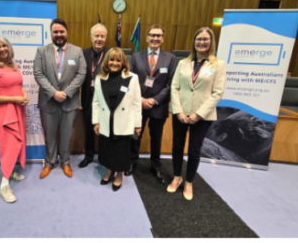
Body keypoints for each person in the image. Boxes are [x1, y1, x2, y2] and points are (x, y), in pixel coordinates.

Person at [168, 27, 227, 201]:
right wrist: (178, 111)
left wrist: (198, 114)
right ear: (194, 42)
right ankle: (177, 177)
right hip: (180, 113)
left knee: (194, 149)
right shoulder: (183, 63)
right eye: (199, 39)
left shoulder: (218, 64)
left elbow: (217, 92)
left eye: (205, 39)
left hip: (202, 116)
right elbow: (175, 87)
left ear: (211, 42)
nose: (202, 42)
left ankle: (189, 182)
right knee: (177, 146)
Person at [33, 19, 86, 178]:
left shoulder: (77, 51)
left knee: (66, 134)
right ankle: (49, 163)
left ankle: (65, 161)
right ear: (51, 34)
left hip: (69, 101)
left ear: (67, 32)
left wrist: (67, 92)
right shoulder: (41, 51)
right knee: (49, 135)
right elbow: (38, 74)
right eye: (55, 32)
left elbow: (81, 74)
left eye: (61, 31)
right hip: (48, 101)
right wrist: (53, 92)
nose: (59, 35)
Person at [129, 24, 177, 183]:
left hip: (159, 106)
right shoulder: (136, 56)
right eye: (152, 35)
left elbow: (171, 84)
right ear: (147, 37)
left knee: (156, 138)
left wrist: (155, 100)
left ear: (162, 39)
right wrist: (141, 99)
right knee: (135, 135)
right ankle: (132, 162)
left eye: (158, 35)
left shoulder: (170, 58)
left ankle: (155, 166)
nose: (155, 38)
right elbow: (130, 80)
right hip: (138, 104)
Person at [0, 36, 28, 204]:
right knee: (8, 145)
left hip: (18, 108)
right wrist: (14, 99)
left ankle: (8, 171)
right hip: (5, 112)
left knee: (18, 141)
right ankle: (4, 186)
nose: (2, 49)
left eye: (4, 46)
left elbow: (19, 85)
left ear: (9, 47)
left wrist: (23, 95)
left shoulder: (14, 65)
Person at [91, 48, 142, 192]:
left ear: (123, 62)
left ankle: (119, 175)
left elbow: (137, 102)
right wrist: (96, 121)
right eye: (112, 60)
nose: (114, 63)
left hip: (124, 121)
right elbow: (96, 101)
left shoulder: (132, 78)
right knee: (107, 149)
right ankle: (109, 171)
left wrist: (137, 124)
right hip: (106, 120)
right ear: (107, 62)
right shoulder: (100, 78)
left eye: (118, 60)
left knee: (120, 151)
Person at [79, 23, 109, 168]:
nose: (99, 39)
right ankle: (88, 156)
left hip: (105, 100)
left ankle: (104, 157)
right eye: (96, 36)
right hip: (87, 99)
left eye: (102, 36)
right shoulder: (83, 53)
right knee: (88, 130)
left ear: (106, 38)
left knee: (104, 130)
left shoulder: (111, 53)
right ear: (91, 37)